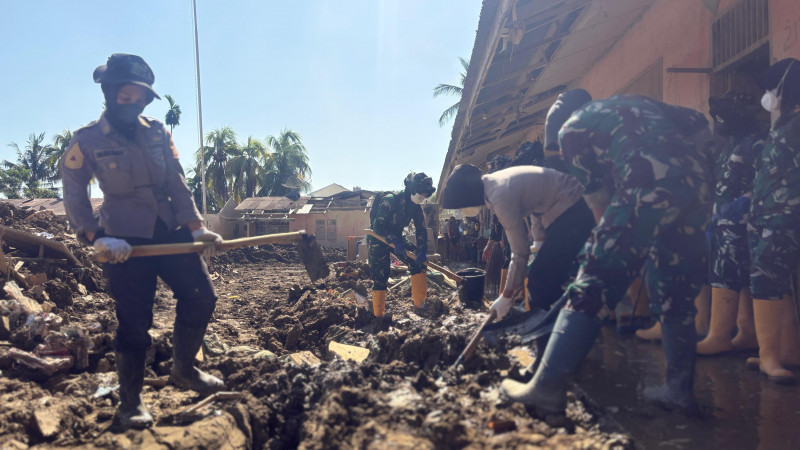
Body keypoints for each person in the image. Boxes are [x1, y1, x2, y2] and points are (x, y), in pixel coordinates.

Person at [500, 93, 712, 417]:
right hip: (697, 185)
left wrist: (605, 252)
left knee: (594, 280)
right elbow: (699, 123)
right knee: (674, 287)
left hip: (646, 183)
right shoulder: (637, 103)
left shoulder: (570, 131)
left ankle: (545, 388)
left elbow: (598, 204)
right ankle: (678, 390)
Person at [61, 54, 224, 429]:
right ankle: (130, 405)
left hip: (170, 229)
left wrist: (197, 227)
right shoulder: (85, 140)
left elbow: (177, 182)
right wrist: (95, 236)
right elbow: (73, 192)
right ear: (109, 93)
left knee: (202, 297)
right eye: (125, 94)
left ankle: (184, 370)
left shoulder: (158, 132)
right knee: (135, 322)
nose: (132, 102)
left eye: (139, 96)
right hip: (123, 241)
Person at [441, 163, 595, 318]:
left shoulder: (500, 195)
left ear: (470, 193)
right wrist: (539, 240)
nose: (463, 210)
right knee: (543, 275)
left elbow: (520, 252)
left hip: (574, 208)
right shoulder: (494, 183)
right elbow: (534, 204)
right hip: (568, 205)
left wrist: (506, 297)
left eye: (462, 205)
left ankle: (551, 329)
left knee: (540, 282)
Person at [696, 90, 766, 355]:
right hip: (724, 222)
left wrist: (742, 203)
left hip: (744, 223)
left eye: (723, 117)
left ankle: (718, 336)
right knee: (736, 277)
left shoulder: (758, 143)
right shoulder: (727, 147)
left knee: (727, 275)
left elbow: (764, 181)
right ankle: (746, 329)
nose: (719, 123)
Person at [746, 58, 800, 383]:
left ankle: (770, 357)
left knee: (770, 279)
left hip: (782, 216)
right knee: (778, 282)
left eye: (771, 89)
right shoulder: (784, 123)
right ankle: (782, 351)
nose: (768, 96)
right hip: (771, 216)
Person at [369, 172, 436, 321]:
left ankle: (420, 308)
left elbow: (421, 229)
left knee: (418, 264)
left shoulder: (416, 207)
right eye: (422, 193)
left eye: (426, 194)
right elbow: (377, 226)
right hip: (378, 239)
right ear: (412, 189)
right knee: (380, 276)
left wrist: (422, 250)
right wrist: (393, 240)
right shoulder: (390, 200)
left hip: (397, 238)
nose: (423, 196)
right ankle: (379, 317)